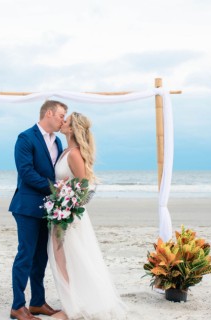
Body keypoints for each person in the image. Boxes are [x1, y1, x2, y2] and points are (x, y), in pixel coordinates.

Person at [48, 112, 127, 320]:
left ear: (72, 128)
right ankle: (71, 302)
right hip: (61, 211)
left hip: (69, 216)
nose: (62, 122)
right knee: (62, 259)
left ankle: (71, 309)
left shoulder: (74, 154)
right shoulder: (66, 151)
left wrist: (66, 201)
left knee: (70, 259)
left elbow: (84, 186)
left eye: (66, 121)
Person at [9, 100, 68, 320]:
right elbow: (26, 172)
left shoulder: (58, 141)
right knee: (25, 255)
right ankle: (17, 306)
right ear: (49, 113)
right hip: (26, 207)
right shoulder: (25, 138)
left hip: (48, 208)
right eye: (62, 115)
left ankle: (37, 302)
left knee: (41, 256)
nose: (63, 120)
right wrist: (54, 188)